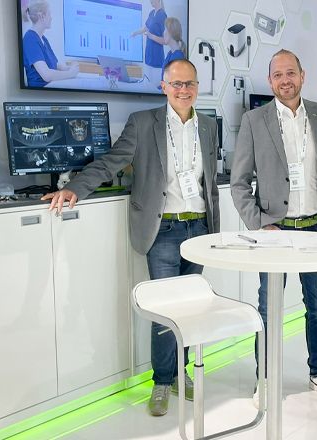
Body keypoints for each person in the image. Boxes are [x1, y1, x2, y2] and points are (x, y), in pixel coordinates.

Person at [42, 59, 220, 417]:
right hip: (163, 230)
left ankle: (181, 372)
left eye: (189, 83)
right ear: (163, 87)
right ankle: (162, 381)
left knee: (190, 308)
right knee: (166, 311)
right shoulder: (142, 123)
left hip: (200, 229)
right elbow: (111, 162)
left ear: (197, 87)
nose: (183, 90)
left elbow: (209, 180)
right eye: (176, 84)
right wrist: (75, 187)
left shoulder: (208, 126)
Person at [230, 49, 317, 405]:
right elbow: (239, 183)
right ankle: (265, 379)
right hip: (275, 232)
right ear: (270, 81)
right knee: (268, 308)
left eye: (290, 73)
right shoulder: (254, 120)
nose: (285, 80)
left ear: (302, 75)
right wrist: (260, 224)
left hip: (315, 230)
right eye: (278, 75)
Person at [21, 0, 79, 87]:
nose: (51, 18)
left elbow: (55, 64)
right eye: (49, 14)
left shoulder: (43, 39)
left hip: (51, 85)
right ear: (41, 16)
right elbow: (46, 75)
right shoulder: (30, 39)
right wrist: (70, 73)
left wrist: (69, 68)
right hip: (41, 90)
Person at [131, 0, 167, 86]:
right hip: (148, 54)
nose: (150, 1)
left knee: (154, 86)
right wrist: (135, 33)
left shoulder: (162, 15)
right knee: (146, 83)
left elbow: (165, 40)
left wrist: (151, 36)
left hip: (157, 56)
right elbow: (146, 28)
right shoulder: (151, 13)